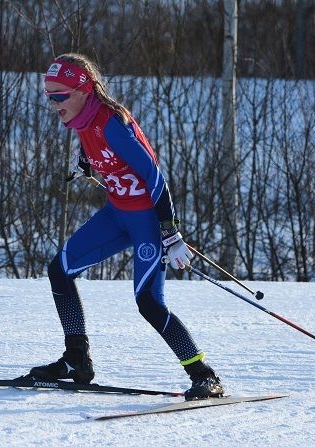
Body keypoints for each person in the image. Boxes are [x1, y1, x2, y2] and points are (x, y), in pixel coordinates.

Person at [28, 53, 224, 401]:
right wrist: (88, 164)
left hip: (146, 220)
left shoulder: (111, 123)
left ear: (83, 89)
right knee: (60, 270)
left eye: (60, 95)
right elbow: (106, 157)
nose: (53, 103)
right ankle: (77, 360)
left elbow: (155, 177)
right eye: (49, 96)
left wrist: (171, 233)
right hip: (117, 214)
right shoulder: (82, 120)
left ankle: (204, 376)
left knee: (149, 303)